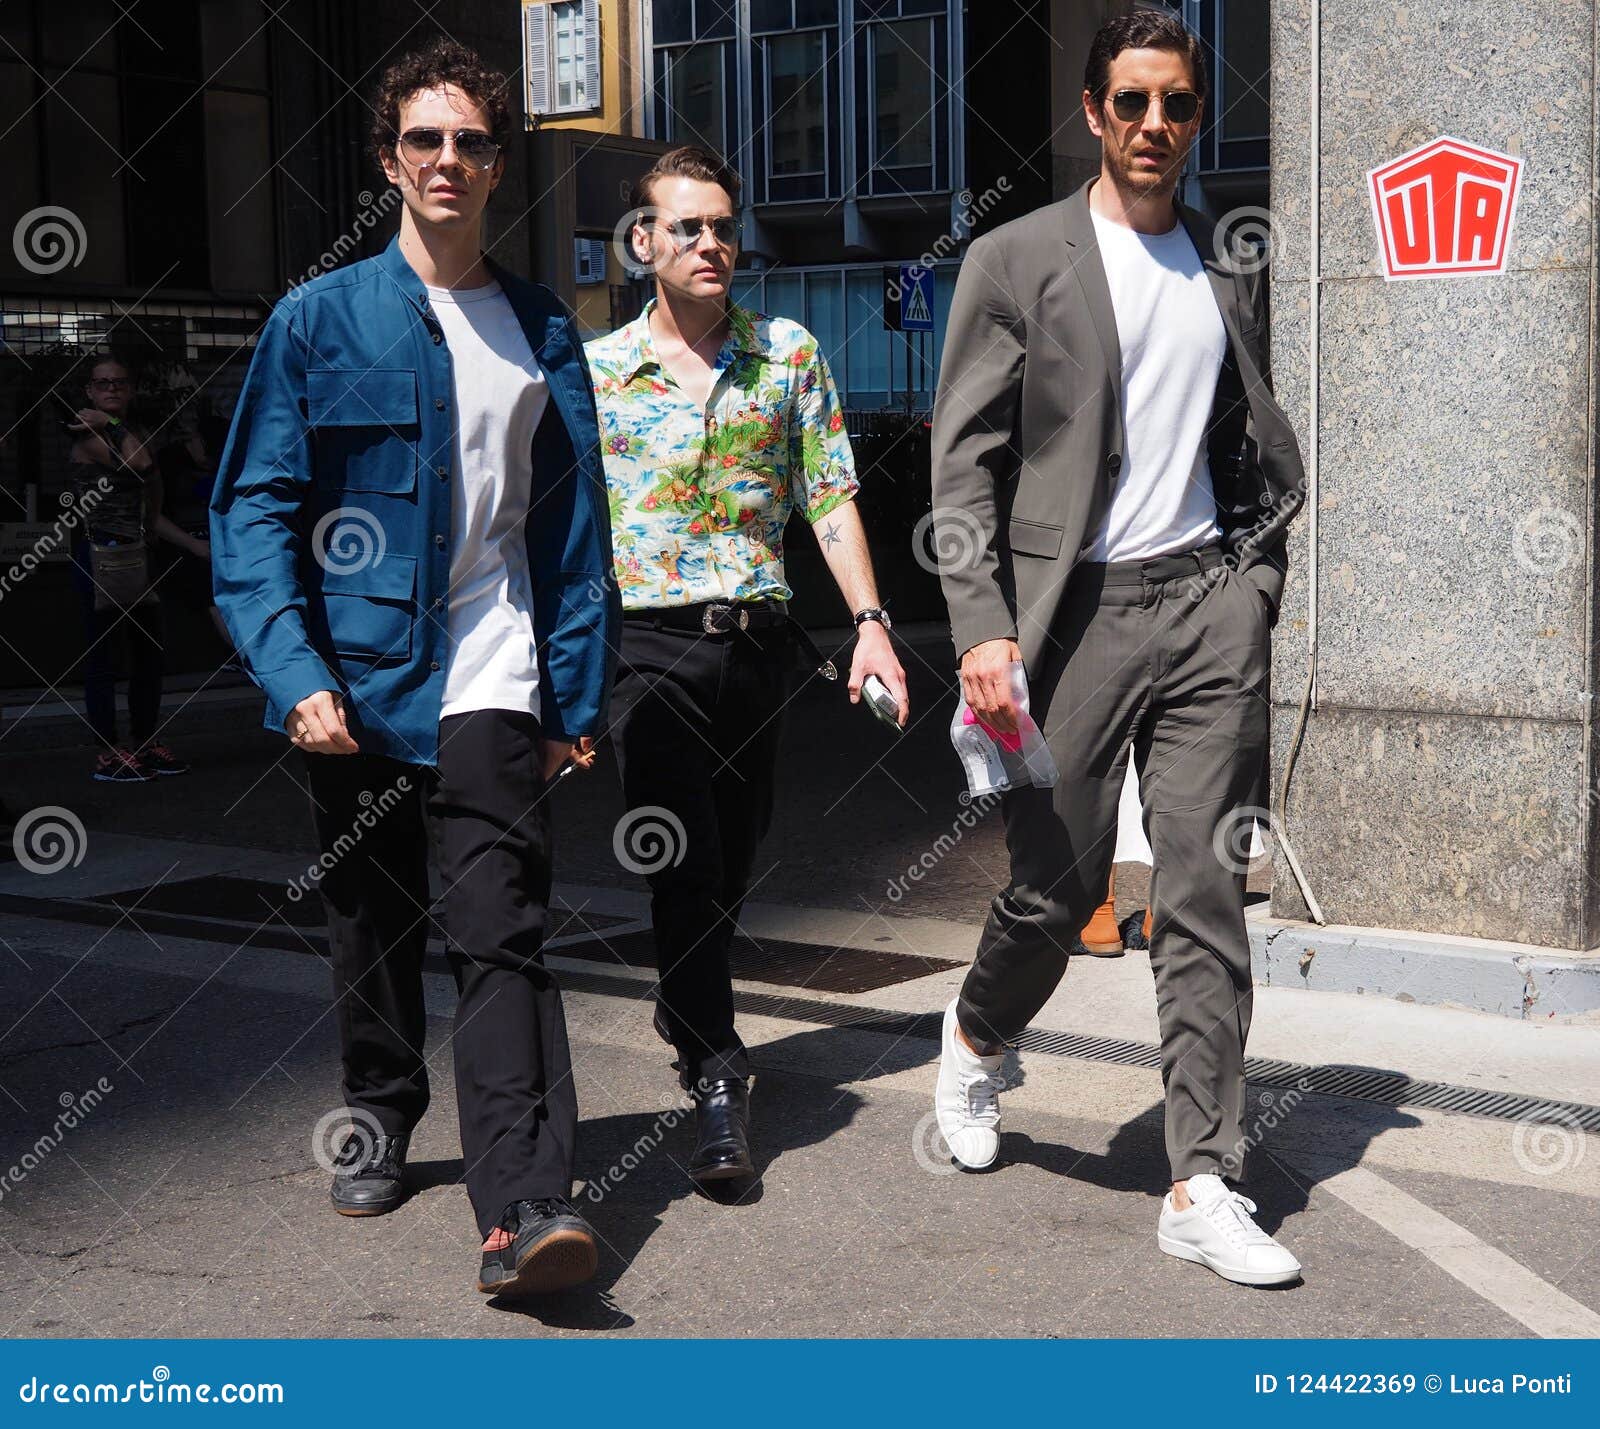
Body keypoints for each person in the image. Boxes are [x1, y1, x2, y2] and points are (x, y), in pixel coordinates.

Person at [209, 37, 619, 1299]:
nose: (450, 160)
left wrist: (573, 691)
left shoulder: (543, 324)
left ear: (499, 164)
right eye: (426, 139)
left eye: (474, 141)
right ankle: (382, 1103)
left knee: (503, 934)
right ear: (391, 160)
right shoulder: (316, 320)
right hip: (360, 676)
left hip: (494, 674)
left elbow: (572, 526)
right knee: (371, 916)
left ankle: (526, 1204)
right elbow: (256, 510)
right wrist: (294, 673)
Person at [928, 10, 1306, 1286]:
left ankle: (1200, 1177)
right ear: (1093, 113)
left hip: (1204, 604)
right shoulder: (1017, 255)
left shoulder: (1219, 262)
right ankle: (977, 1040)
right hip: (1073, 615)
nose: (1156, 126)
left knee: (1200, 888)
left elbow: (1243, 446)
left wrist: (1252, 582)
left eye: (1179, 104)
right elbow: (962, 462)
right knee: (1057, 890)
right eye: (1133, 102)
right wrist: (980, 628)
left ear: (1199, 117)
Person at [585, 145, 909, 1188]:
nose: (711, 242)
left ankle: (688, 1003)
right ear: (642, 244)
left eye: (723, 225)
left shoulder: (787, 353)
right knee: (680, 859)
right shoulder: (596, 373)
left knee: (729, 862)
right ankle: (717, 1074)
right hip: (646, 646)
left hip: (758, 648)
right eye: (686, 227)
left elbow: (828, 493)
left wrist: (868, 620)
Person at [65, 357, 189, 782]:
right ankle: (107, 752)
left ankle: (143, 742)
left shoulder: (128, 433)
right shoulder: (88, 433)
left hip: (138, 555)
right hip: (99, 558)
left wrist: (194, 546)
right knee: (102, 658)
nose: (112, 390)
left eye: (119, 383)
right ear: (90, 392)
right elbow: (140, 466)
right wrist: (111, 425)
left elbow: (151, 497)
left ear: (131, 390)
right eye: (103, 384)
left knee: (148, 655)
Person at [154, 390, 237, 667]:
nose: (208, 463)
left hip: (221, 545)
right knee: (206, 583)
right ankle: (241, 653)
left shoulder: (226, 468)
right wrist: (194, 546)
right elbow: (151, 517)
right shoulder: (167, 463)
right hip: (182, 547)